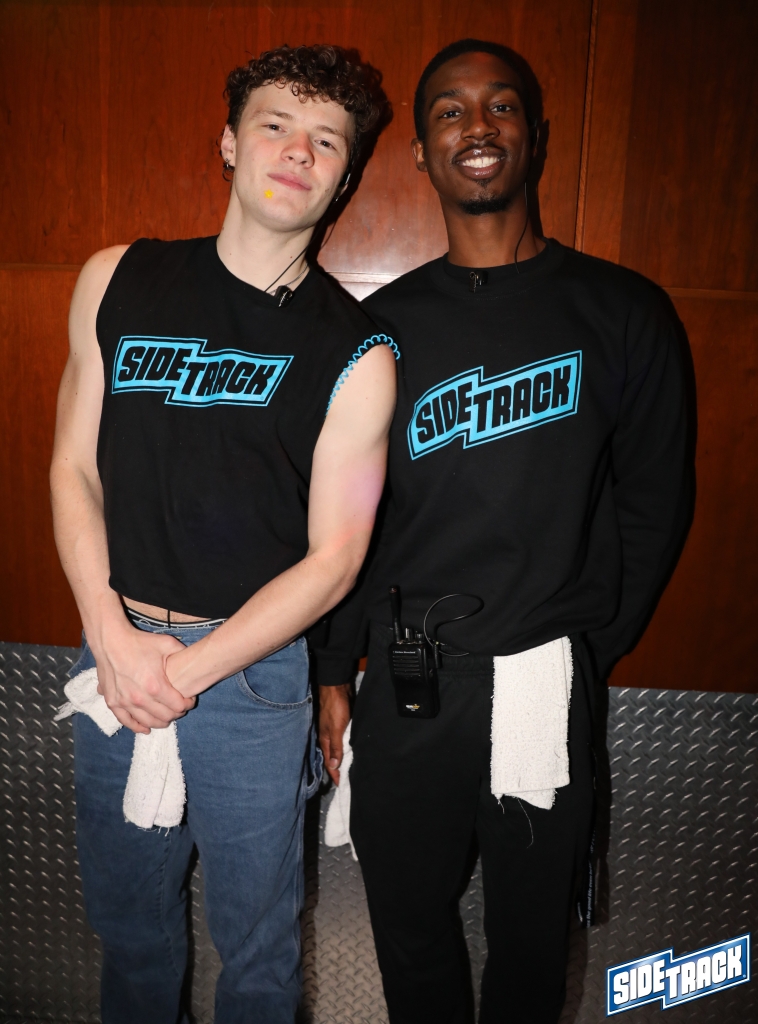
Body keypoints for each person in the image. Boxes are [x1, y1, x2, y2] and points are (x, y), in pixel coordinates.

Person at [316, 38, 692, 1024]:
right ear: (420, 151)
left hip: (542, 680)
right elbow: (347, 514)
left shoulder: (622, 312)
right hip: (409, 686)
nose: (476, 126)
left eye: (500, 105)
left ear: (534, 134)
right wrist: (333, 667)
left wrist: (584, 642)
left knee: (530, 949)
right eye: (449, 110)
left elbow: (654, 501)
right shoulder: (381, 328)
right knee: (409, 932)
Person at [50, 44, 396, 1024]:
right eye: (276, 125)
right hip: (114, 651)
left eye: (326, 140)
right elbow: (72, 468)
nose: (298, 152)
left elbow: (335, 560)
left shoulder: (359, 351)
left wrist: (184, 672)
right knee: (130, 933)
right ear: (230, 142)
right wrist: (114, 640)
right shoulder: (117, 278)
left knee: (257, 953)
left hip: (251, 684)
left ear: (344, 174)